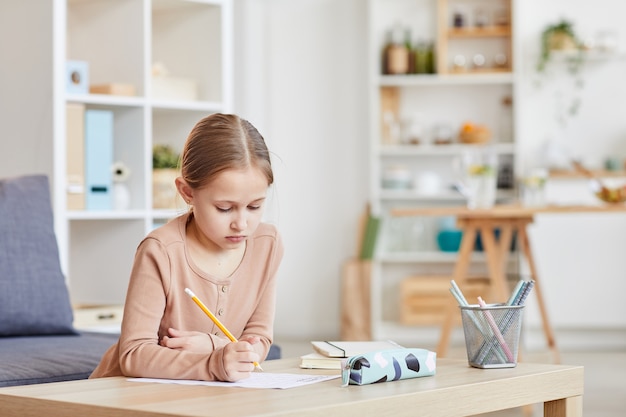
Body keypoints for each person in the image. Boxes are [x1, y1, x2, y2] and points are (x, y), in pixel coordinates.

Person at [90, 113, 283, 382]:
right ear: (187, 192)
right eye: (224, 208)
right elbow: (134, 354)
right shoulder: (160, 251)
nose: (242, 224)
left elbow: (259, 339)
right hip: (125, 397)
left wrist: (215, 347)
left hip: (204, 397)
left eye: (255, 206)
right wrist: (214, 361)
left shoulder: (267, 244)